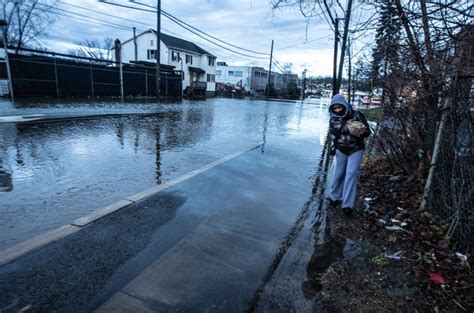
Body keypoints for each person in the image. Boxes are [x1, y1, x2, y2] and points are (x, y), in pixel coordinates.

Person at [328, 94, 371, 216]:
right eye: (335, 108)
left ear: (344, 105)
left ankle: (347, 205)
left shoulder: (357, 115)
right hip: (341, 148)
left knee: (351, 174)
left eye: (339, 107)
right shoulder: (333, 118)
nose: (337, 110)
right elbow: (333, 134)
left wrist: (359, 130)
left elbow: (367, 132)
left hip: (356, 148)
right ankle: (334, 196)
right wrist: (347, 127)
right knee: (339, 173)